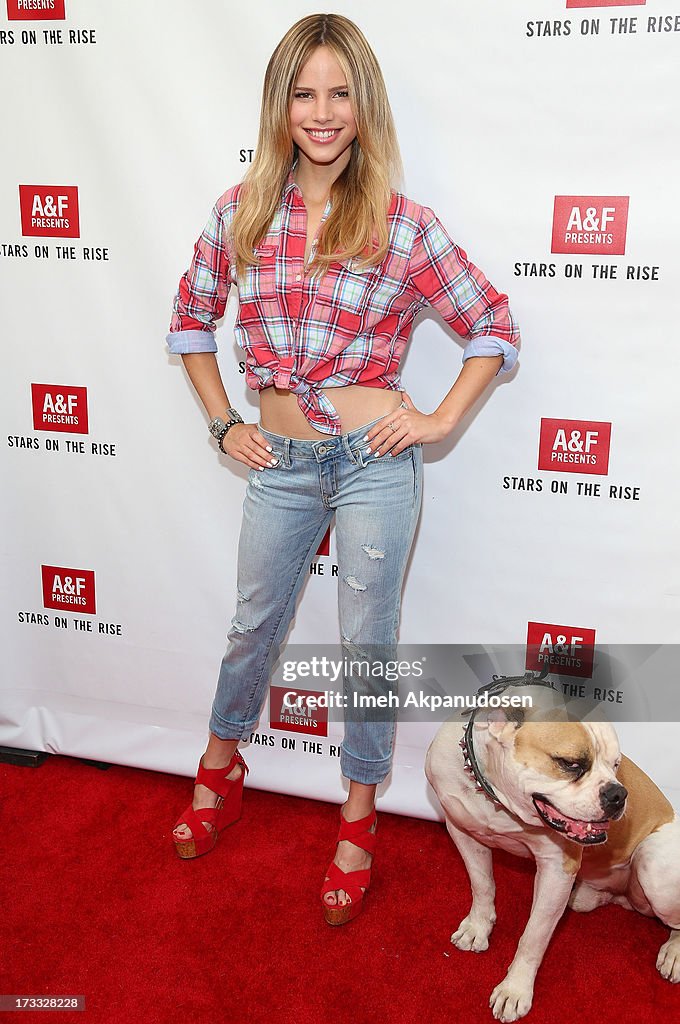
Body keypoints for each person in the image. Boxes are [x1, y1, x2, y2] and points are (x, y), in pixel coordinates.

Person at [166, 12, 520, 926]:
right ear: (279, 103)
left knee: (366, 649)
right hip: (278, 460)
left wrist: (437, 418)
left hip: (373, 462)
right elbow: (188, 324)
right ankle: (220, 766)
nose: (321, 113)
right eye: (303, 91)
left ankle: (357, 818)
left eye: (339, 93)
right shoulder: (240, 210)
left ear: (364, 107)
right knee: (253, 626)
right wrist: (222, 424)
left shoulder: (404, 226)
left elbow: (494, 326)